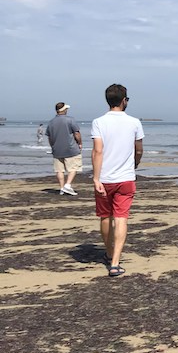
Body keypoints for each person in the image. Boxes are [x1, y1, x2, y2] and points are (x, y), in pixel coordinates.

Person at [91, 84, 144, 278]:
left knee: (106, 217)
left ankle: (109, 253)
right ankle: (115, 263)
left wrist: (96, 178)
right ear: (124, 100)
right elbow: (138, 149)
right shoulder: (134, 122)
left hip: (105, 178)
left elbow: (98, 150)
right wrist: (135, 164)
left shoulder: (99, 122)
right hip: (126, 178)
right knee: (121, 218)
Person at [46, 102, 83, 195]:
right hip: (70, 148)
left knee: (59, 170)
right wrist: (80, 143)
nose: (67, 110)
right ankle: (67, 185)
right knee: (74, 167)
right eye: (66, 109)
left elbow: (50, 137)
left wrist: (53, 146)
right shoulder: (70, 120)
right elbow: (77, 133)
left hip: (57, 149)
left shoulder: (51, 122)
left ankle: (62, 188)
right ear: (63, 110)